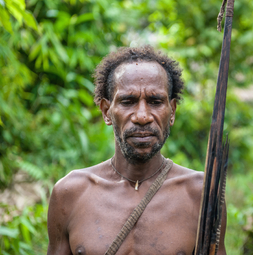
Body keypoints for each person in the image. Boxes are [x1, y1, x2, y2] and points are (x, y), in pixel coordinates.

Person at [47, 46, 226, 255]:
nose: (142, 116)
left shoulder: (201, 194)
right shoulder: (70, 194)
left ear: (172, 111)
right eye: (128, 101)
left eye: (155, 101)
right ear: (106, 111)